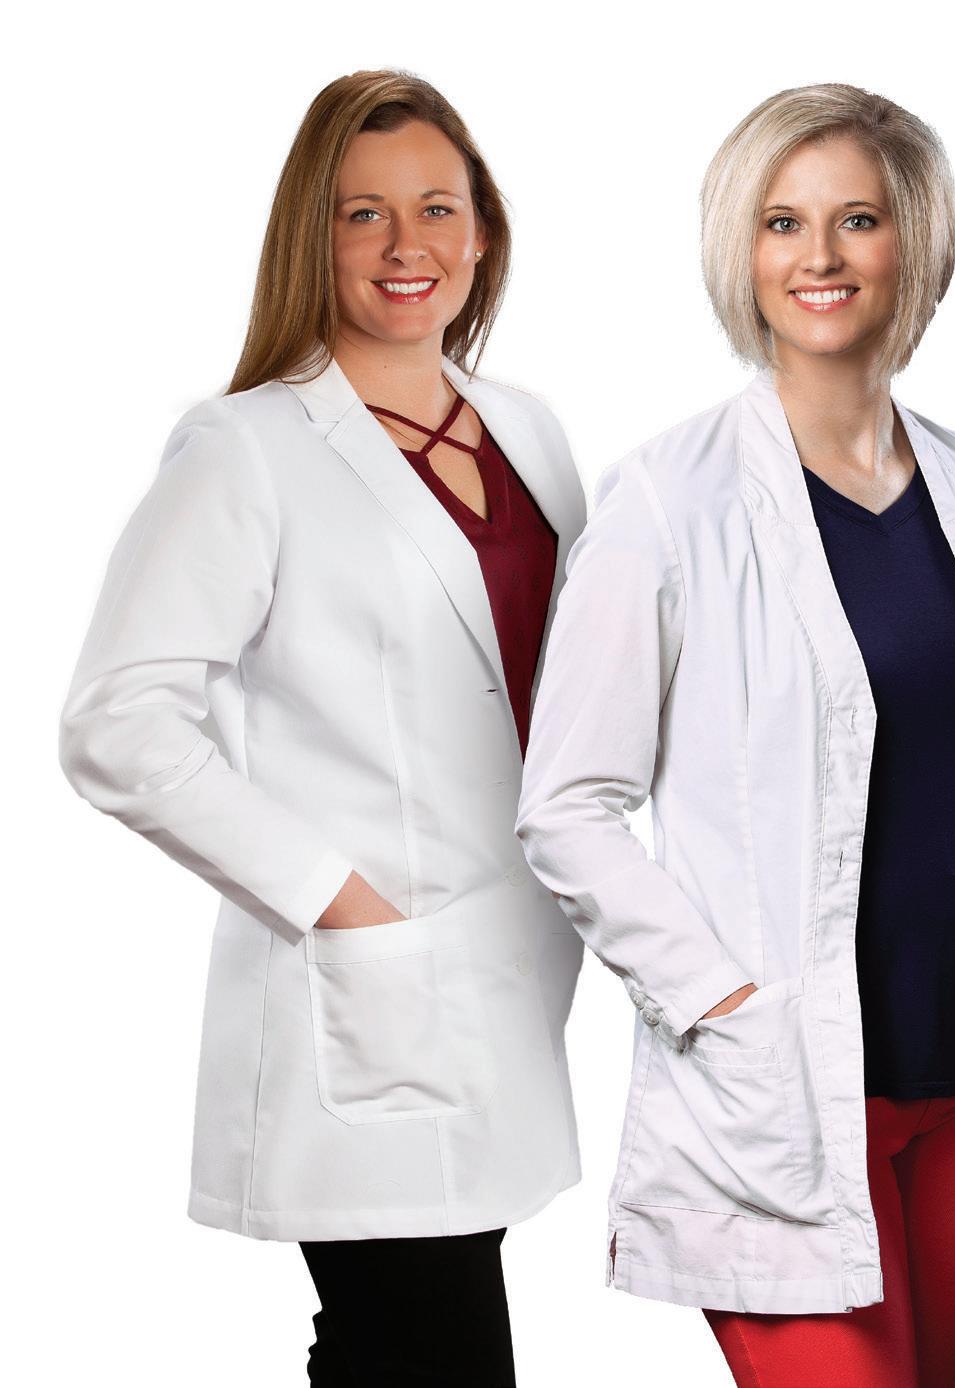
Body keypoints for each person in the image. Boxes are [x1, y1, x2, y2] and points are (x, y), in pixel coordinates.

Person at [517, 83, 955, 1388]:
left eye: (859, 220)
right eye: (783, 222)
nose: (820, 256)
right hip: (780, 1086)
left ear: (915, 243)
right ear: (742, 249)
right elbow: (566, 805)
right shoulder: (666, 502)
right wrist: (715, 996)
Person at [59, 70, 587, 1386]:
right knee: (435, 1354)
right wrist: (340, 901)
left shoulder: (526, 431)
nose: (407, 245)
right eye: (364, 213)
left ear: (483, 231)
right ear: (316, 235)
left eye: (436, 208)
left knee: (381, 1354)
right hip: (363, 988)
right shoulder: (247, 449)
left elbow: (567, 681)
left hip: (509, 981)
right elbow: (118, 721)